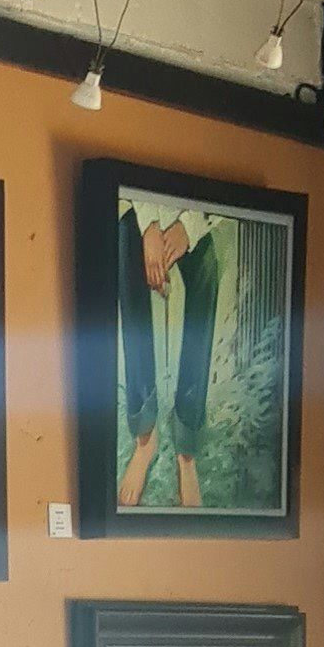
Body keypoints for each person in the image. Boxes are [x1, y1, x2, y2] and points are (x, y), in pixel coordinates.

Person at [117, 196, 222, 510]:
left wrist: (189, 227)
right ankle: (145, 435)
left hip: (193, 218)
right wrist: (149, 224)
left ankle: (186, 447)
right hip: (146, 214)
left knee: (207, 267)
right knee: (125, 237)